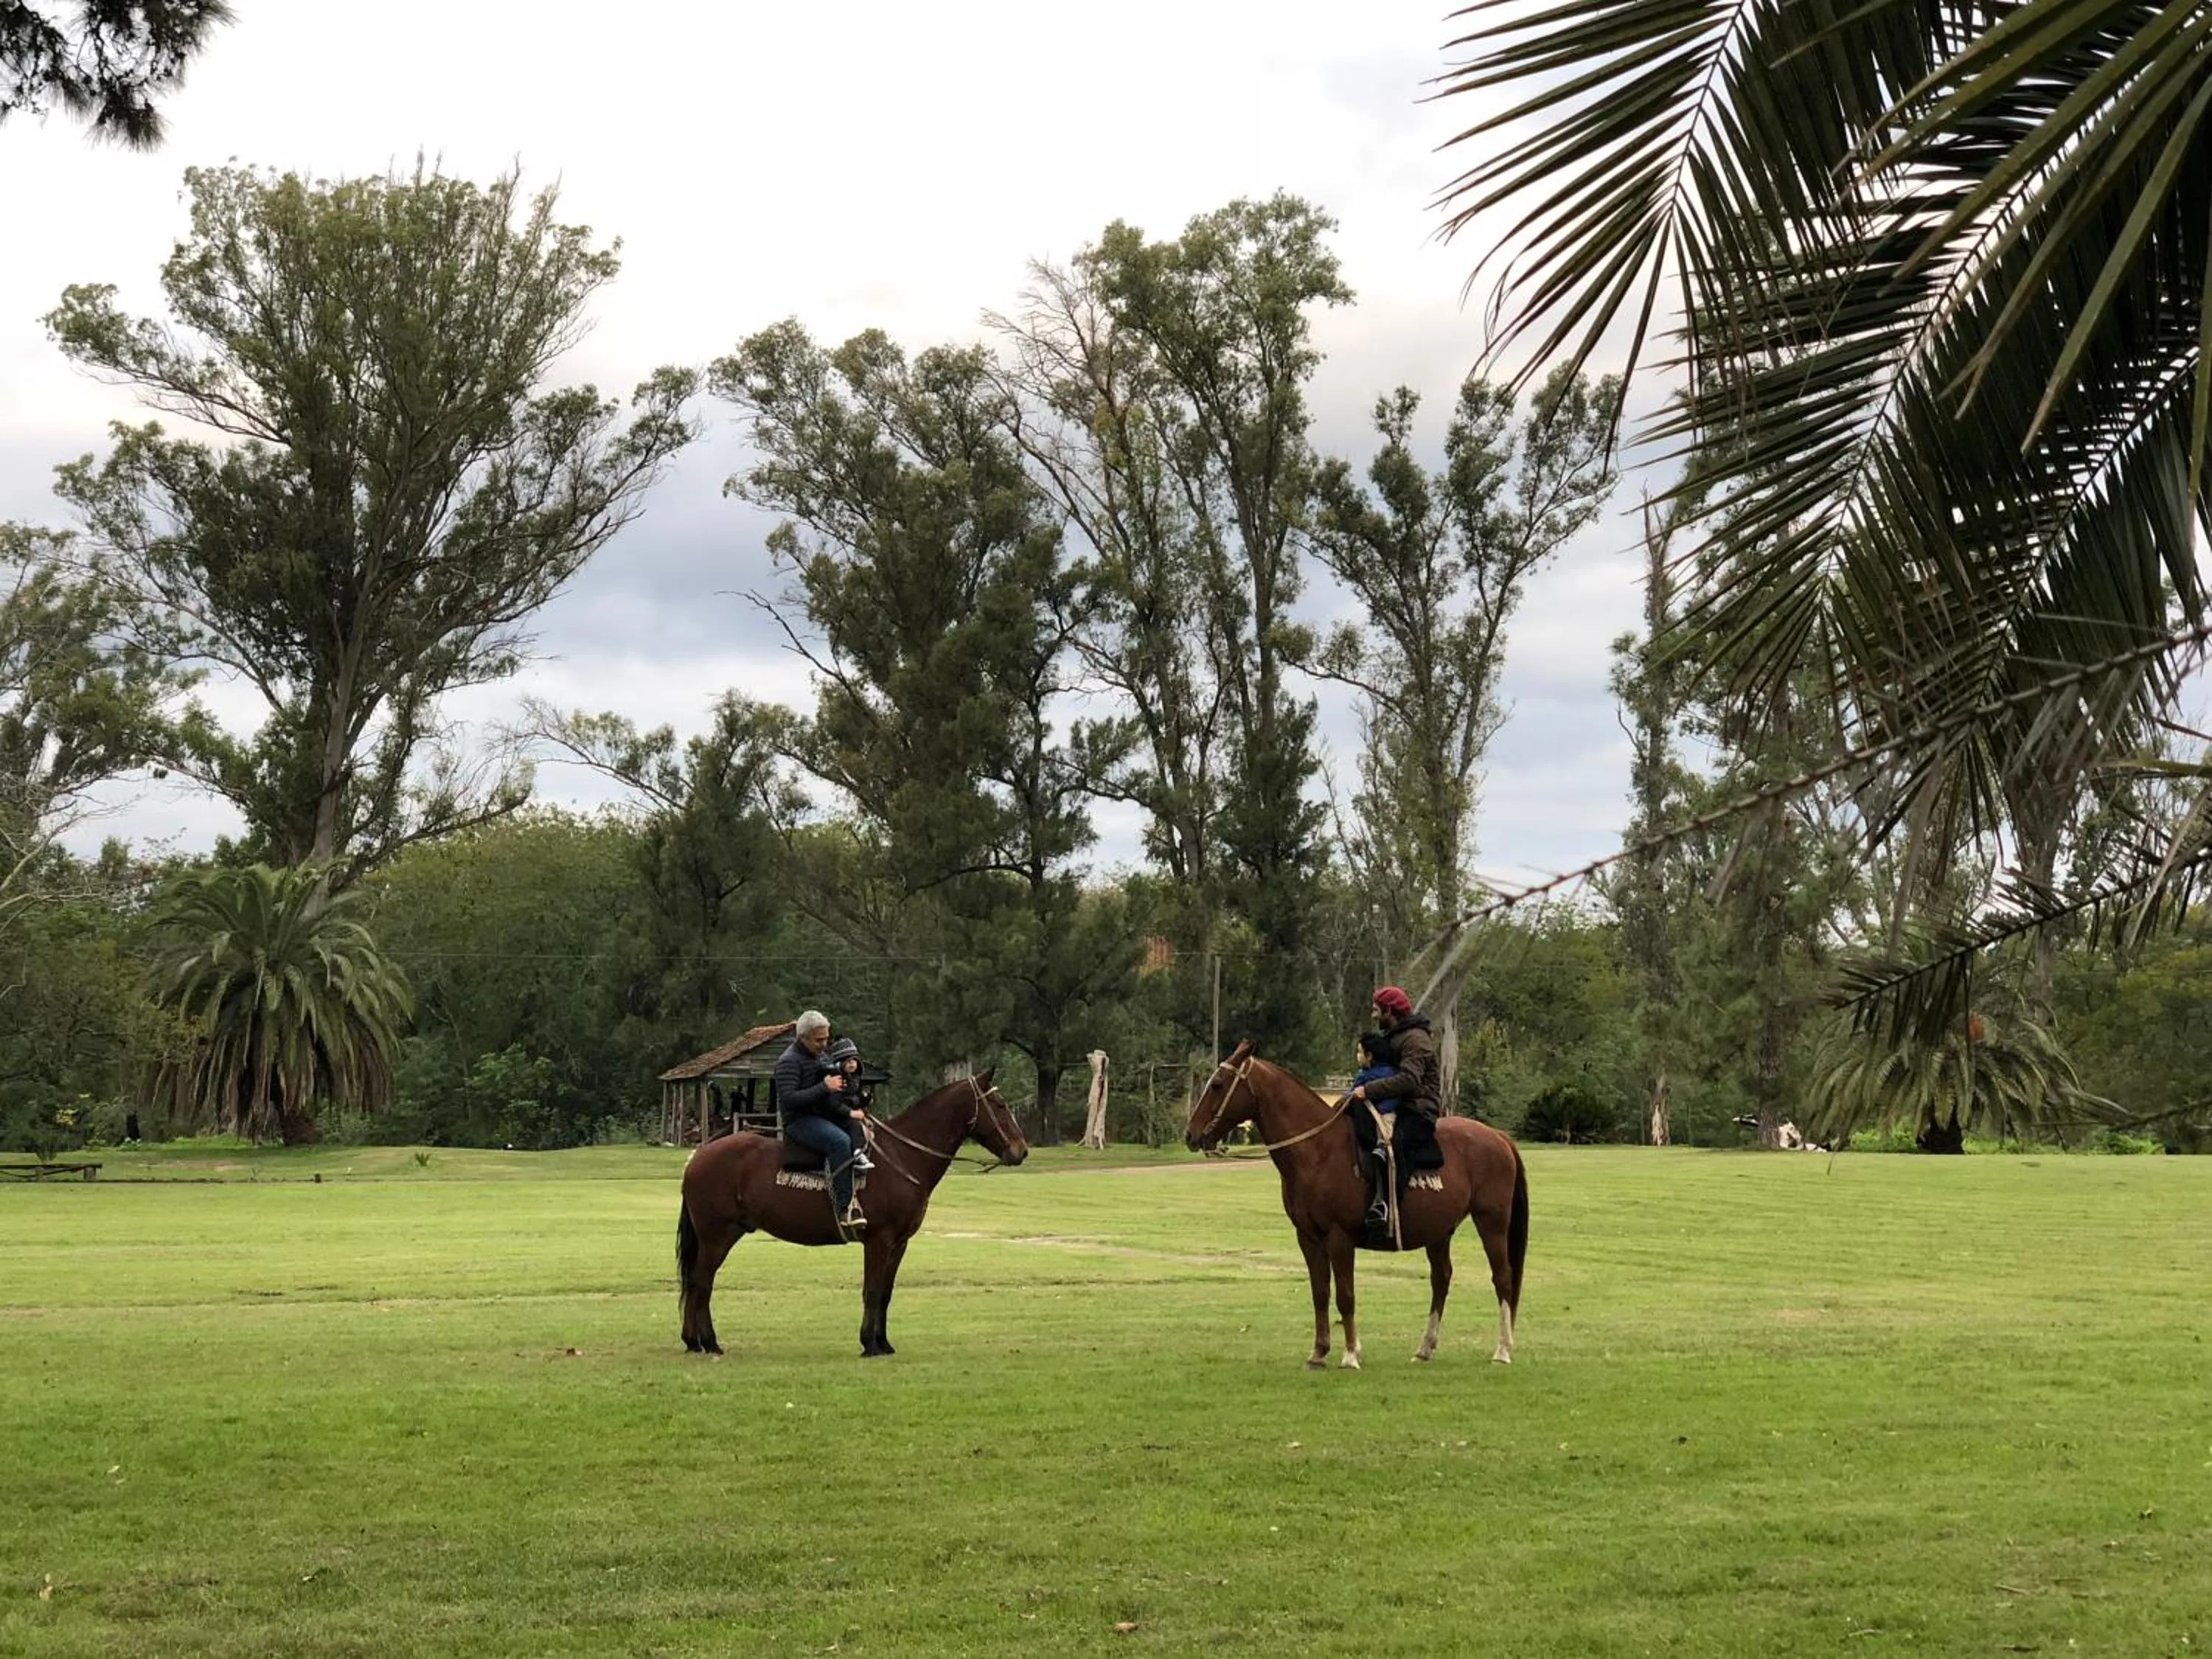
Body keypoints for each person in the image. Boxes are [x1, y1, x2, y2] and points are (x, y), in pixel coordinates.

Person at [1346, 986, 1441, 1229]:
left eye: (1376, 1010)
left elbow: (1409, 1080)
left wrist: (1368, 1090)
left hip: (1418, 1108)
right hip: (1394, 1103)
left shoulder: (1416, 1039)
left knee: (1394, 1146)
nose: (1374, 1015)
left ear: (1389, 1011)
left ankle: (1386, 1206)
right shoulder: (1394, 1035)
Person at [773, 1011, 868, 1227]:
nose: (824, 1044)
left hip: (823, 1114)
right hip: (799, 1120)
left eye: (826, 1038)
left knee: (860, 1129)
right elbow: (789, 1100)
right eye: (819, 1040)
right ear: (803, 1037)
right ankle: (844, 1208)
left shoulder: (821, 1057)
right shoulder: (788, 1062)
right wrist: (824, 1087)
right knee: (839, 1142)